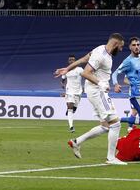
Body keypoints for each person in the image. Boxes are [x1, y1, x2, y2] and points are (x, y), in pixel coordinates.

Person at [54, 33, 127, 165]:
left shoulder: (99, 49)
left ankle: (77, 142)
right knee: (115, 124)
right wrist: (101, 83)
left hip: (93, 91)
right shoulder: (101, 55)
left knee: (105, 126)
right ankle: (111, 158)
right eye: (121, 47)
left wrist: (67, 68)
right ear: (116, 44)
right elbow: (85, 72)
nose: (121, 50)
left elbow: (83, 59)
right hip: (97, 91)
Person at [61, 55, 83, 133]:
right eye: (70, 60)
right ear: (68, 61)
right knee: (70, 106)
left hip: (78, 92)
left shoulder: (80, 69)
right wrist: (62, 84)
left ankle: (70, 110)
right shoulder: (66, 70)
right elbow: (63, 79)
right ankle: (71, 127)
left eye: (73, 60)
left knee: (74, 109)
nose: (71, 61)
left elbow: (86, 76)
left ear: (75, 61)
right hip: (69, 91)